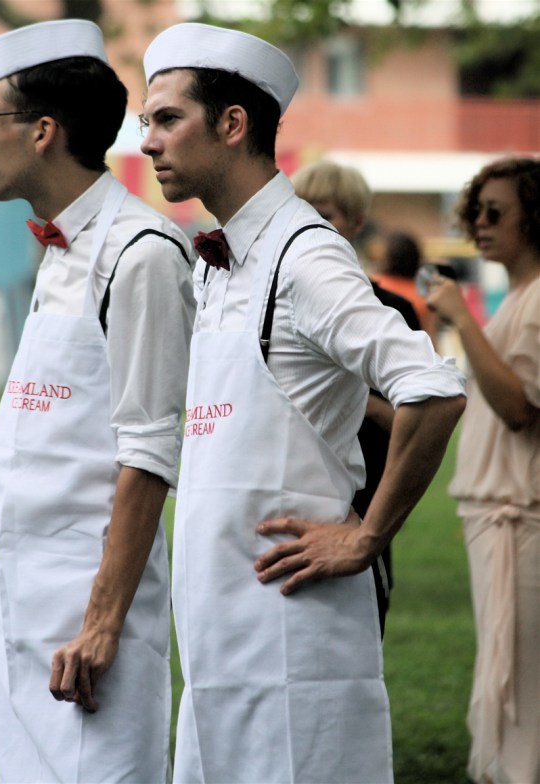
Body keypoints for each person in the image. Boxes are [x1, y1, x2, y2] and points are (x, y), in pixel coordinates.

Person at [140, 22, 466, 783]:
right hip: (221, 641)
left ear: (232, 124)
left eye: (166, 119)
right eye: (145, 121)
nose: (148, 142)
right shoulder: (217, 261)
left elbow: (433, 389)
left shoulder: (305, 254)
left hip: (295, 638)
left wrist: (367, 535)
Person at [0, 20, 195, 783]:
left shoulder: (142, 253)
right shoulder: (61, 249)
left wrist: (102, 623)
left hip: (89, 613)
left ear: (42, 132)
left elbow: (150, 452)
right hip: (17, 597)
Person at [426, 157, 539, 784]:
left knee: (521, 695)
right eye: (477, 212)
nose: (481, 224)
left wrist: (462, 318)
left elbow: (518, 408)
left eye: (496, 212)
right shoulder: (520, 298)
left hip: (521, 524)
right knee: (507, 686)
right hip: (497, 523)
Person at [292, 160, 421, 633]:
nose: (311, 225)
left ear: (357, 222)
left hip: (363, 495)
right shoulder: (284, 298)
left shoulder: (390, 309)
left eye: (325, 214)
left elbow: (421, 411)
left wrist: (356, 398)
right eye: (302, 211)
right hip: (295, 483)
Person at [374, 229, 440, 346]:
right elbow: (431, 339)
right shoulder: (425, 294)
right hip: (415, 352)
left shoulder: (375, 286)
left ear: (388, 258)